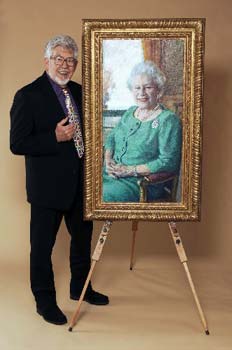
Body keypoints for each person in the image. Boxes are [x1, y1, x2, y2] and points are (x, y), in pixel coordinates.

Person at [10, 35, 109, 326]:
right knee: (42, 248)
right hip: (47, 189)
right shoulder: (27, 95)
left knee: (82, 242)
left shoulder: (81, 92)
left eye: (70, 60)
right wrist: (53, 137)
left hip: (81, 184)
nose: (64, 65)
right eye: (58, 59)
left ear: (76, 64)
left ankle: (81, 288)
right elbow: (17, 143)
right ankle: (44, 300)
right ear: (46, 61)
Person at [103, 61, 182, 202]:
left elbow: (168, 162)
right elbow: (111, 138)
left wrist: (130, 170)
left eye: (148, 87)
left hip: (141, 184)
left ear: (159, 90)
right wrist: (108, 162)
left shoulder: (168, 120)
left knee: (97, 196)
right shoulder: (130, 112)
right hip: (111, 175)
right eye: (137, 88)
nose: (141, 93)